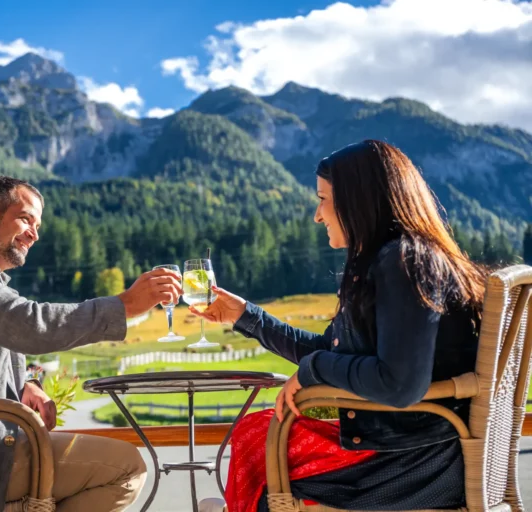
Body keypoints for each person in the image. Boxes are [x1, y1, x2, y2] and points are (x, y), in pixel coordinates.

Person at [191, 140, 487, 512]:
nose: (318, 215)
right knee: (259, 430)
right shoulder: (403, 257)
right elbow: (333, 351)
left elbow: (400, 384)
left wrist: (313, 371)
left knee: (258, 439)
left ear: (358, 201)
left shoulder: (404, 262)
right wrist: (245, 316)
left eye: (323, 199)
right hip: (411, 446)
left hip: (409, 465)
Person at [0, 176, 183, 512]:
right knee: (125, 468)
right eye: (25, 218)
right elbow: (27, 325)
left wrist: (27, 383)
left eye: (38, 225)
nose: (34, 234)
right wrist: (123, 305)